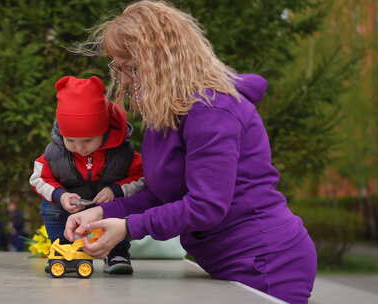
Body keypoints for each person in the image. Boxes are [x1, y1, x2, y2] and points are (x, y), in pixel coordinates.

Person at [63, 1, 317, 303]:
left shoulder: (214, 112)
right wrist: (102, 211)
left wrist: (129, 227)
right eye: (117, 67)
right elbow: (163, 195)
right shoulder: (169, 114)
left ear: (160, 62)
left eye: (129, 67)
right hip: (229, 262)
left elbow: (206, 205)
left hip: (266, 264)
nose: (125, 80)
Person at [29, 75, 145, 274]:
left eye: (88, 140)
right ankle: (63, 248)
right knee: (51, 207)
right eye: (71, 140)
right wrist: (60, 195)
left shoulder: (122, 152)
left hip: (106, 208)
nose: (80, 148)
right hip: (69, 209)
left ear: (104, 132)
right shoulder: (55, 153)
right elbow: (38, 178)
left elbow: (141, 178)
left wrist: (116, 190)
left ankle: (117, 252)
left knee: (122, 208)